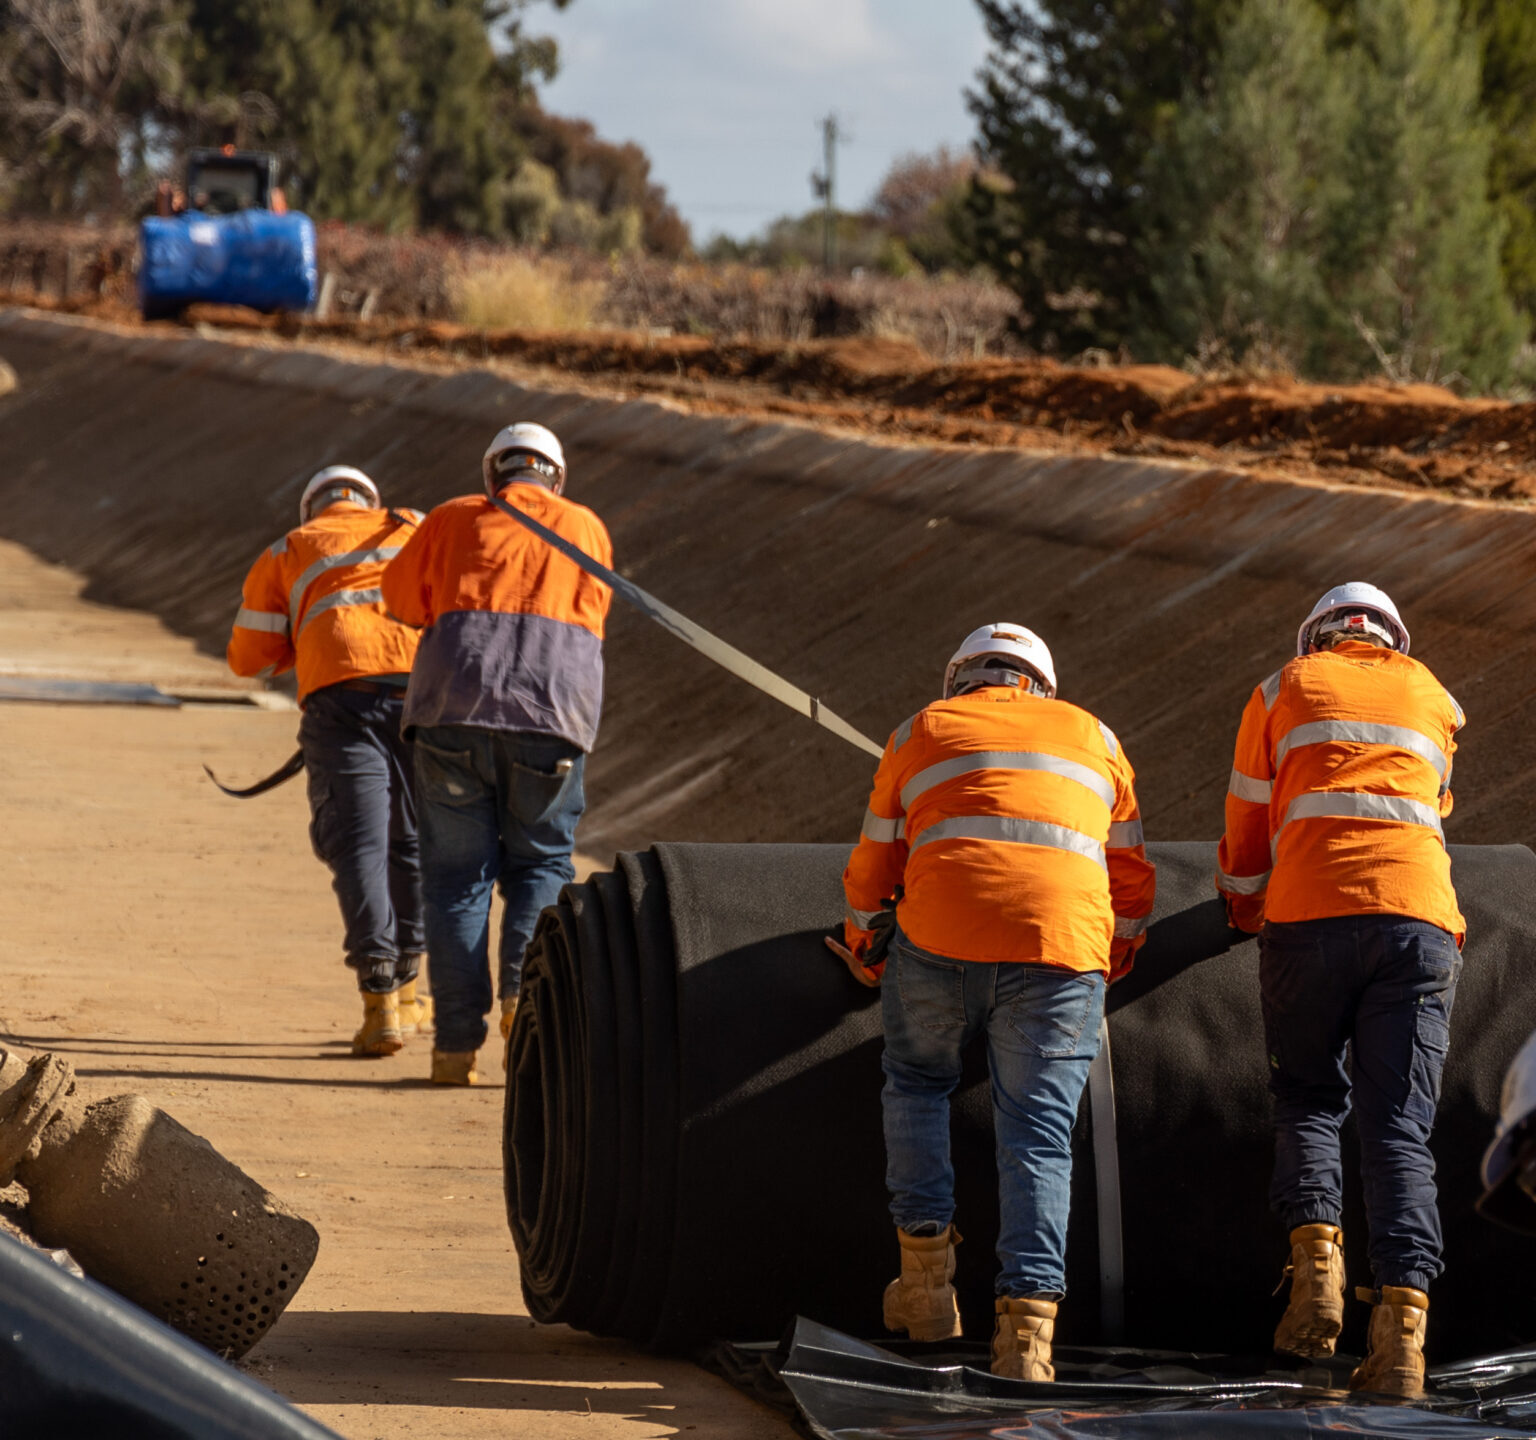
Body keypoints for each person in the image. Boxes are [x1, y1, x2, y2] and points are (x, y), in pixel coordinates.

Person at [832, 623, 1154, 1381]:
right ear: (1040, 682)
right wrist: (1116, 951)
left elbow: (876, 860)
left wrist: (861, 939)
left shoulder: (921, 730)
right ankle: (1027, 1341)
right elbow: (1130, 872)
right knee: (1038, 1136)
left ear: (961, 679)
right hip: (1061, 949)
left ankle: (926, 1293)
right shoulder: (1096, 736)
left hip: (939, 941)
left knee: (917, 1083)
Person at [1217, 581, 1464, 1398]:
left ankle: (1317, 1282)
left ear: (1315, 637)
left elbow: (1250, 817)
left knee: (1311, 1098)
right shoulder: (1434, 694)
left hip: (1308, 917)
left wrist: (1247, 904)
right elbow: (1432, 804)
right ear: (1391, 637)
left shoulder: (1281, 689)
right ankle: (1401, 1344)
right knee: (1399, 1129)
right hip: (1418, 924)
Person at [381, 423, 612, 1086]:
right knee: (539, 868)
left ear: (493, 474)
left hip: (452, 713)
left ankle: (454, 1048)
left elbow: (398, 600)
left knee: (456, 882)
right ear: (555, 477)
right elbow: (593, 614)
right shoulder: (587, 527)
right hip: (551, 720)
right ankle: (524, 1009)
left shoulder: (454, 518)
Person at [228, 465, 427, 1056]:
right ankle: (413, 993)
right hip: (425, 692)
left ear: (312, 508)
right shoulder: (412, 527)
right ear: (371, 500)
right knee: (413, 840)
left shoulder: (290, 548)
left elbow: (249, 657)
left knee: (359, 843)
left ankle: (381, 1001)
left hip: (341, 703)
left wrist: (304, 644)